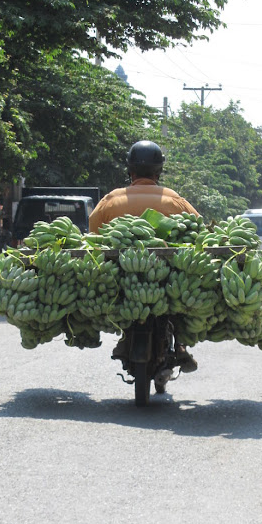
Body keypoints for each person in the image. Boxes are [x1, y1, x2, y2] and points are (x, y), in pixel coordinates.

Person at [89, 140, 200, 373]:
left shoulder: (111, 200)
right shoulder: (174, 200)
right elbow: (198, 228)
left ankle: (126, 338)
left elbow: (93, 230)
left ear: (130, 171)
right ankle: (179, 344)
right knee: (179, 298)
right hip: (168, 277)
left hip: (119, 274)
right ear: (158, 172)